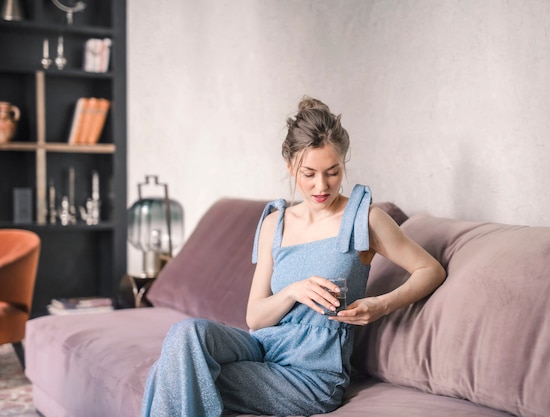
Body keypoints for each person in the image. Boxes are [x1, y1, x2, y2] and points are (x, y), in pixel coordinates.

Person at [141, 96, 446, 417]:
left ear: (344, 163)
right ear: (289, 166)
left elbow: (430, 269)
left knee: (170, 373)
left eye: (333, 172)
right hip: (261, 347)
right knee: (186, 334)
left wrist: (381, 305)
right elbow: (255, 318)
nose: (321, 186)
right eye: (308, 173)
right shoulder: (275, 222)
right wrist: (292, 290)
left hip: (311, 374)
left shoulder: (365, 219)